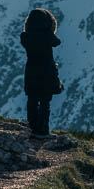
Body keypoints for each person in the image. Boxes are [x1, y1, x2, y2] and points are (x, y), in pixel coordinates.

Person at [21, 8, 64, 139]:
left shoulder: (25, 37)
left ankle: (31, 128)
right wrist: (47, 30)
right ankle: (43, 131)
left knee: (32, 100)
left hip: (31, 72)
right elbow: (57, 42)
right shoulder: (47, 36)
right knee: (45, 102)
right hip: (47, 72)